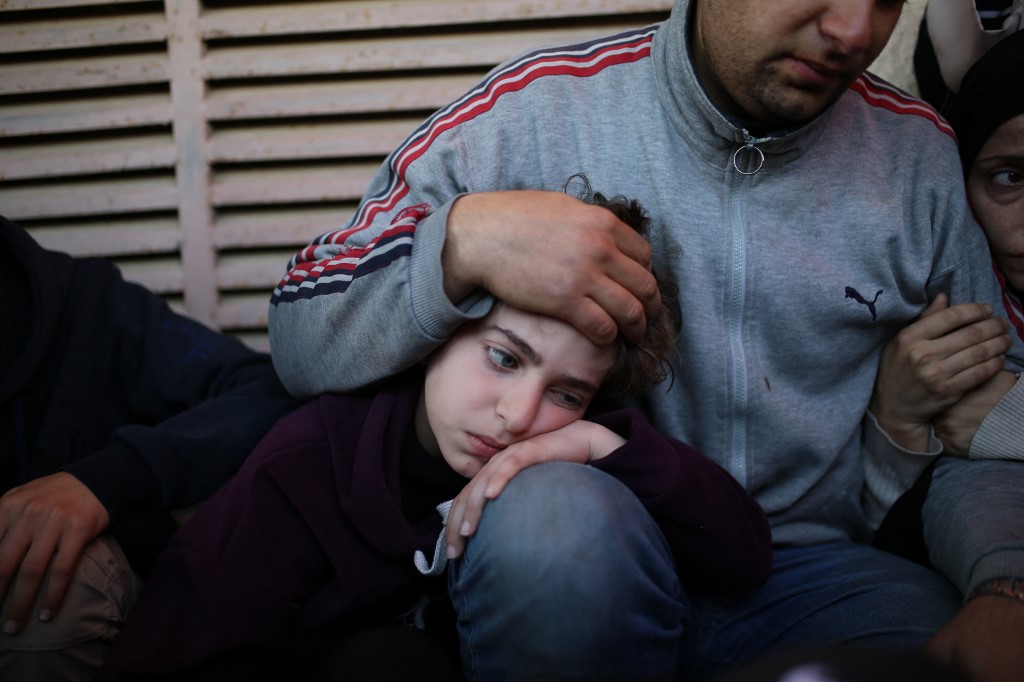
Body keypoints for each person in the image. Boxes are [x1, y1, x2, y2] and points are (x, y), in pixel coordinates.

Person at [266, 1, 1024, 680]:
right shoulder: (532, 112)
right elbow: (298, 336)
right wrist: (461, 243)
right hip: (589, 544)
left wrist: (1007, 579)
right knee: (551, 530)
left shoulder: (917, 158)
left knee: (947, 636)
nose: (854, 30)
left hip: (813, 576)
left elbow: (981, 423)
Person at [96, 187, 772, 682]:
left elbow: (746, 557)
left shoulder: (583, 437)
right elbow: (172, 654)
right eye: (503, 357)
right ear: (435, 338)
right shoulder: (307, 466)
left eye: (567, 393)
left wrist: (600, 445)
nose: (518, 415)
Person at [0, 217, 299, 680]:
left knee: (49, 583)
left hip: (85, 609)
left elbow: (264, 390)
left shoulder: (90, 308)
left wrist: (106, 480)